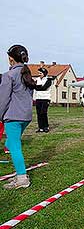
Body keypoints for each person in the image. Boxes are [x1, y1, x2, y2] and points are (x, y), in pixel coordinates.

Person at [0, 44, 51, 189]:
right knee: (10, 143)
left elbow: (2, 99)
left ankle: (22, 178)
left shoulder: (9, 75)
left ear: (10, 59)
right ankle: (19, 174)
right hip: (26, 116)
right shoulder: (26, 73)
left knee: (14, 147)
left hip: (13, 116)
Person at [34, 67, 52, 133]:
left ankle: (46, 127)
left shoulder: (49, 80)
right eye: (38, 73)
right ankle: (40, 127)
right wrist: (37, 86)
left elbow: (44, 88)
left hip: (46, 99)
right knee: (38, 113)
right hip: (38, 98)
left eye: (40, 73)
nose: (39, 74)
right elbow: (34, 86)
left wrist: (37, 87)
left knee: (43, 113)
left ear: (44, 73)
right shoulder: (37, 79)